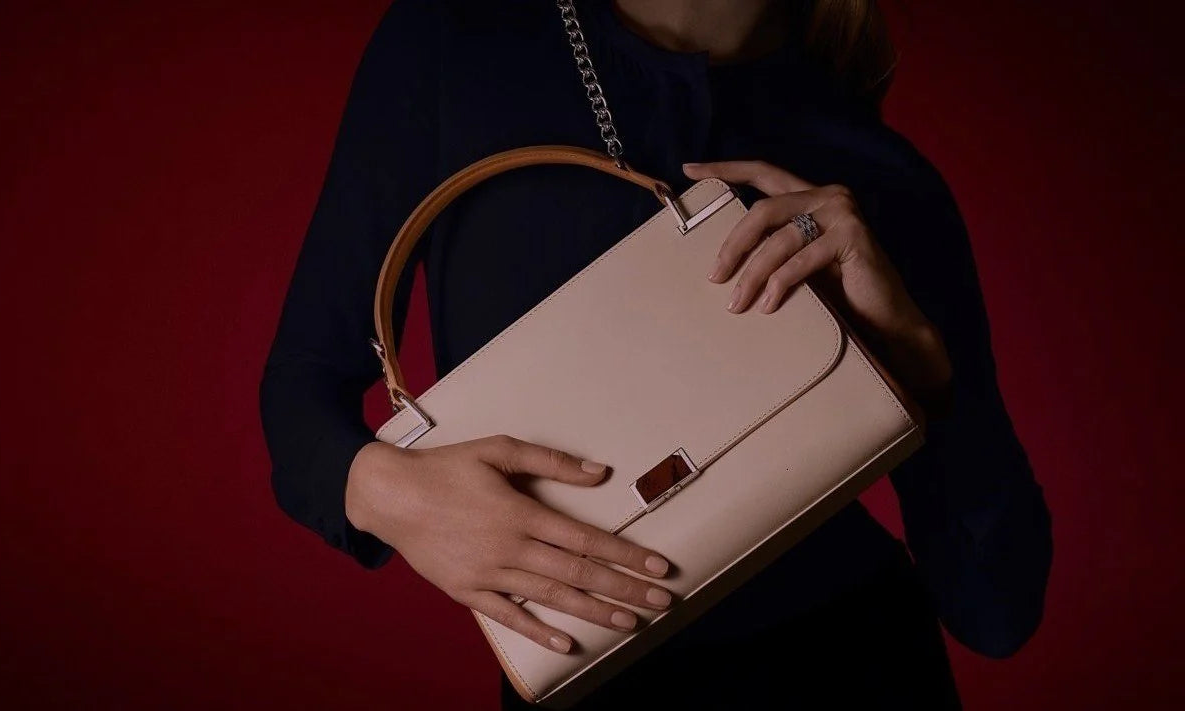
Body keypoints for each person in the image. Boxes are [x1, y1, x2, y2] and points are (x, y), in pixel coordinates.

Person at [259, 0, 1052, 707]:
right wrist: (389, 495)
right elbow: (299, 396)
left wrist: (921, 366)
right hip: (577, 671)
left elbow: (997, 605)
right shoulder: (457, 39)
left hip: (856, 667)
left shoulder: (877, 175)